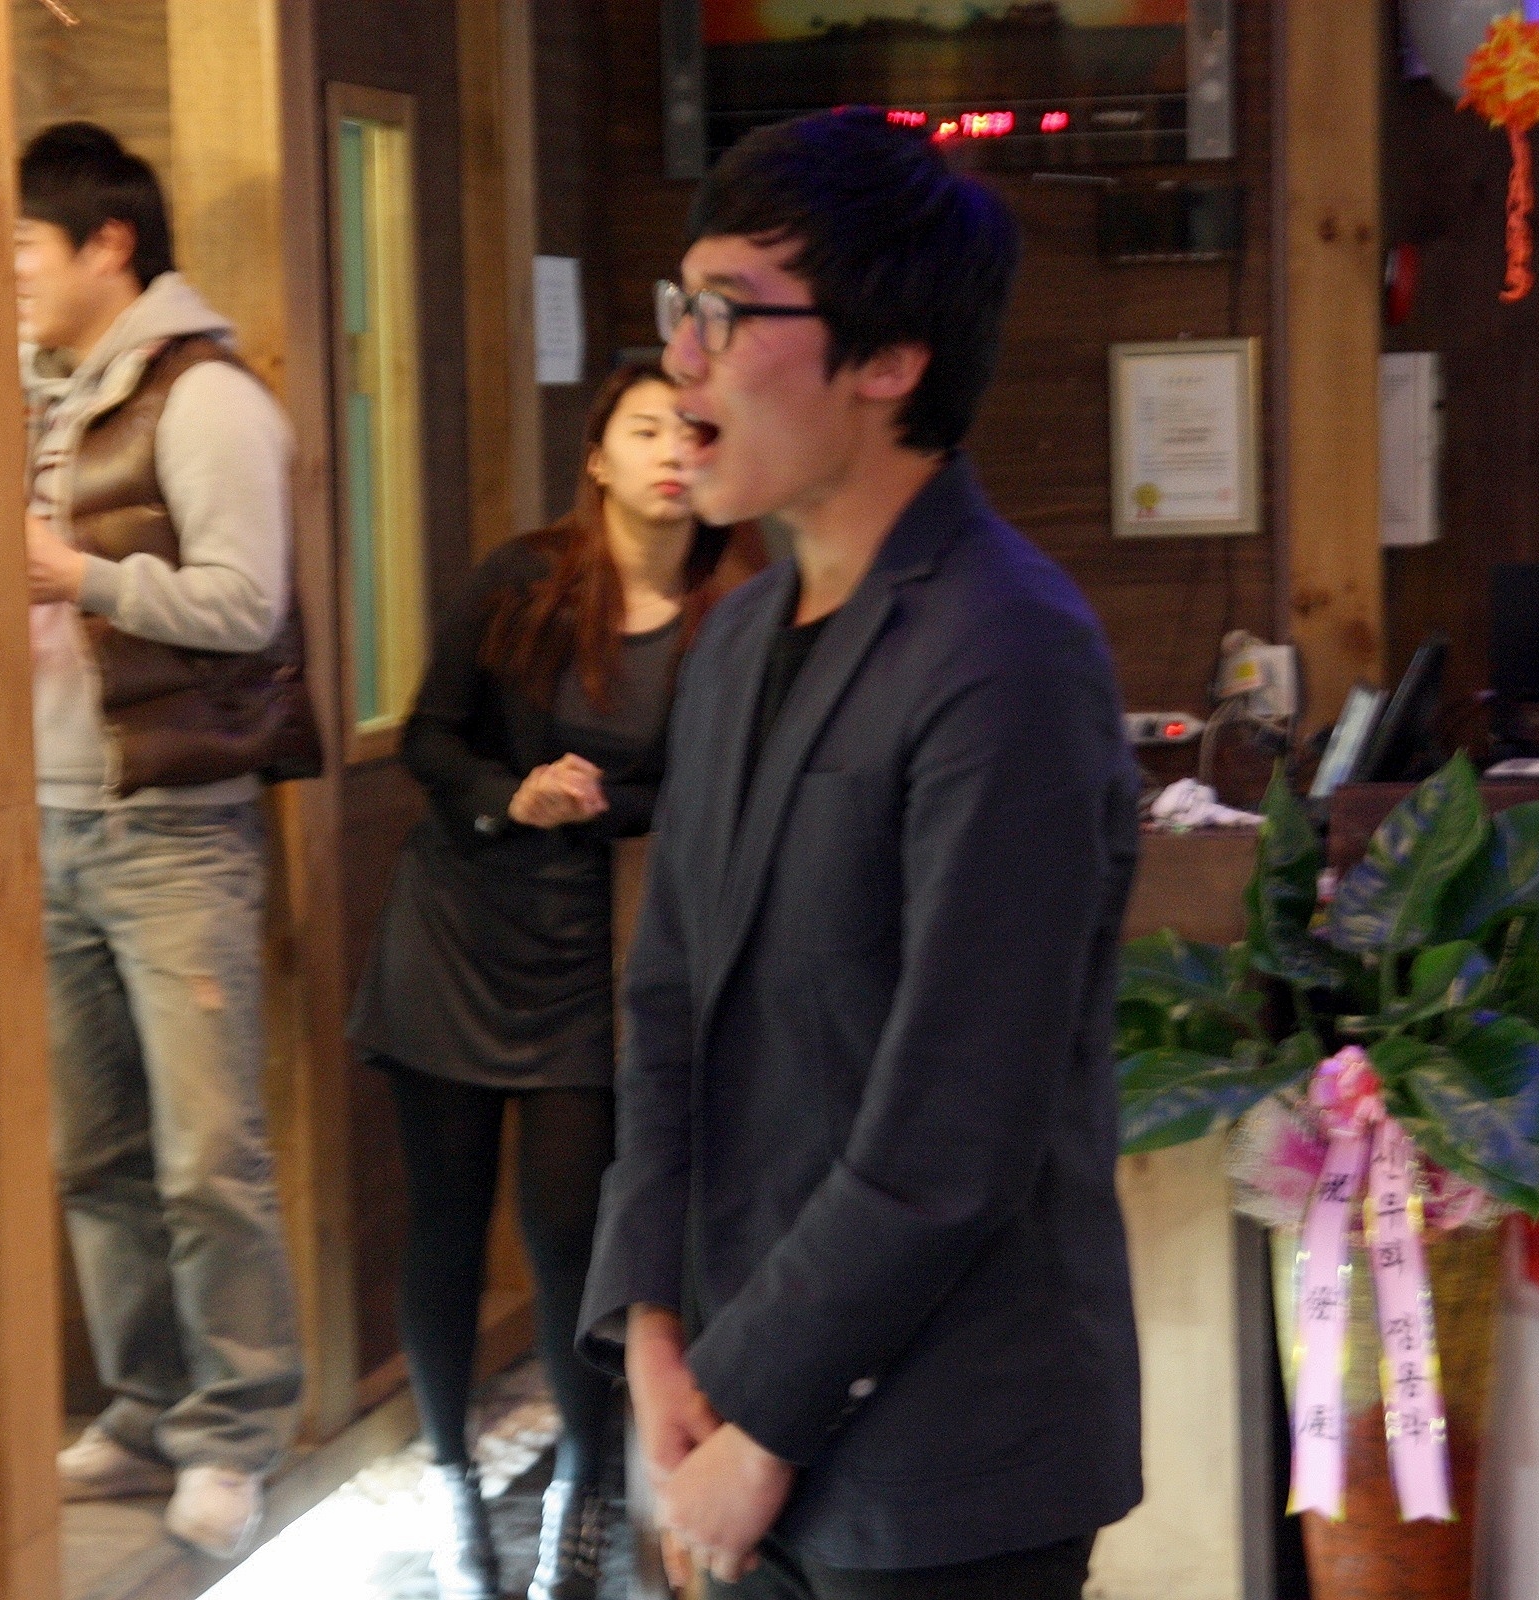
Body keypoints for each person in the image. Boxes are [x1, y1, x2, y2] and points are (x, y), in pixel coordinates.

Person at [576, 108, 1145, 1598]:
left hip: (946, 1454)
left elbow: (959, 1121)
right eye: (679, 306)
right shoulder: (738, 637)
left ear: (888, 361)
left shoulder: (1008, 648)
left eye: (728, 313)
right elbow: (667, 1006)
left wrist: (763, 1416)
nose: (680, 359)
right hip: (729, 1397)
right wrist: (654, 1331)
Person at [350, 362, 759, 1600]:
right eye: (645, 428)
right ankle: (450, 1482)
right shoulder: (522, 580)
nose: (672, 451)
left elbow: (711, 789)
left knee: (576, 1229)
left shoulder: (739, 604)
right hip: (458, 922)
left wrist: (594, 807)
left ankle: (583, 1483)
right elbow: (431, 736)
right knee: (444, 1219)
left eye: (693, 430)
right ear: (598, 456)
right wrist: (510, 796)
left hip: (596, 943)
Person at [17, 120, 321, 1559]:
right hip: (45, 816)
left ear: (108, 243)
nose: (10, 274)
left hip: (174, 832)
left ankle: (237, 1428)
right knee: (94, 1153)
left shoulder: (206, 398)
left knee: (207, 1157)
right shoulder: (38, 396)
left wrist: (79, 572)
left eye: (25, 247)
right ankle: (144, 1409)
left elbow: (247, 606)